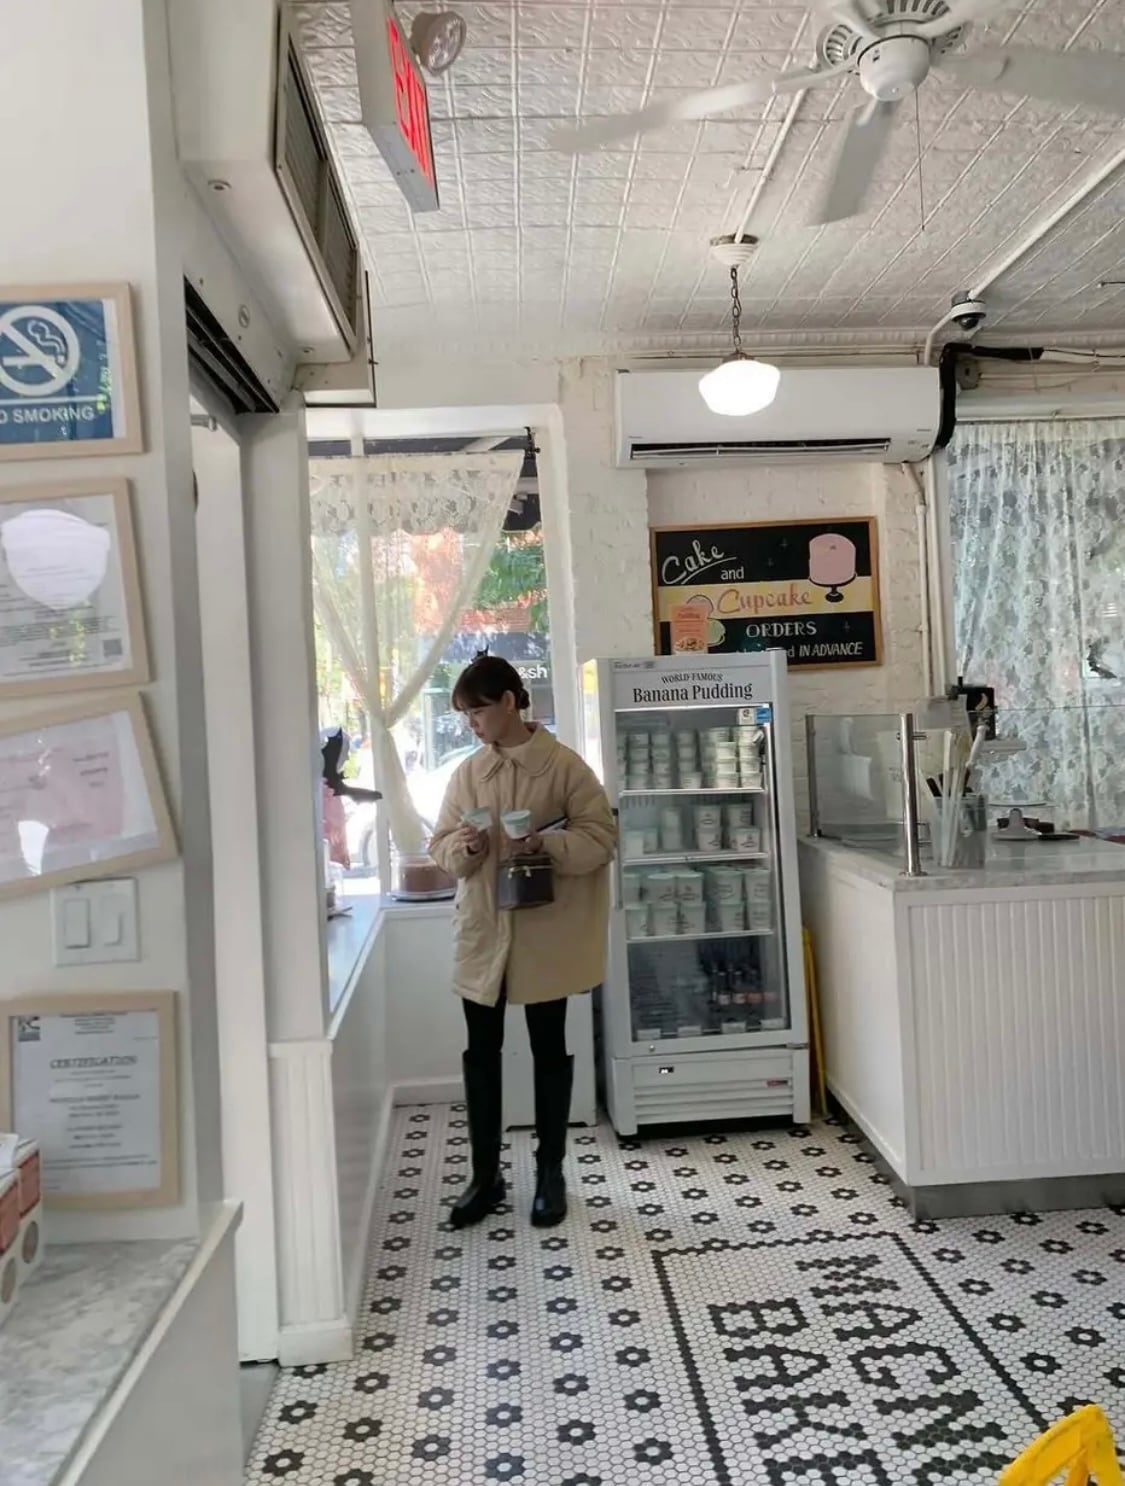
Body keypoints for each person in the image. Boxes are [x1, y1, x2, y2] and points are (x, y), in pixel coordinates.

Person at [430, 654, 616, 1229]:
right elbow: (441, 847)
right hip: (484, 932)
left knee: (549, 1048)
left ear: (510, 702)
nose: (471, 724)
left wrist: (545, 846)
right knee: (480, 1053)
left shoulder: (564, 767)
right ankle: (484, 1178)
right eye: (464, 715)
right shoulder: (467, 773)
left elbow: (600, 838)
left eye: (478, 711)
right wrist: (465, 848)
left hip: (546, 933)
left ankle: (550, 1174)